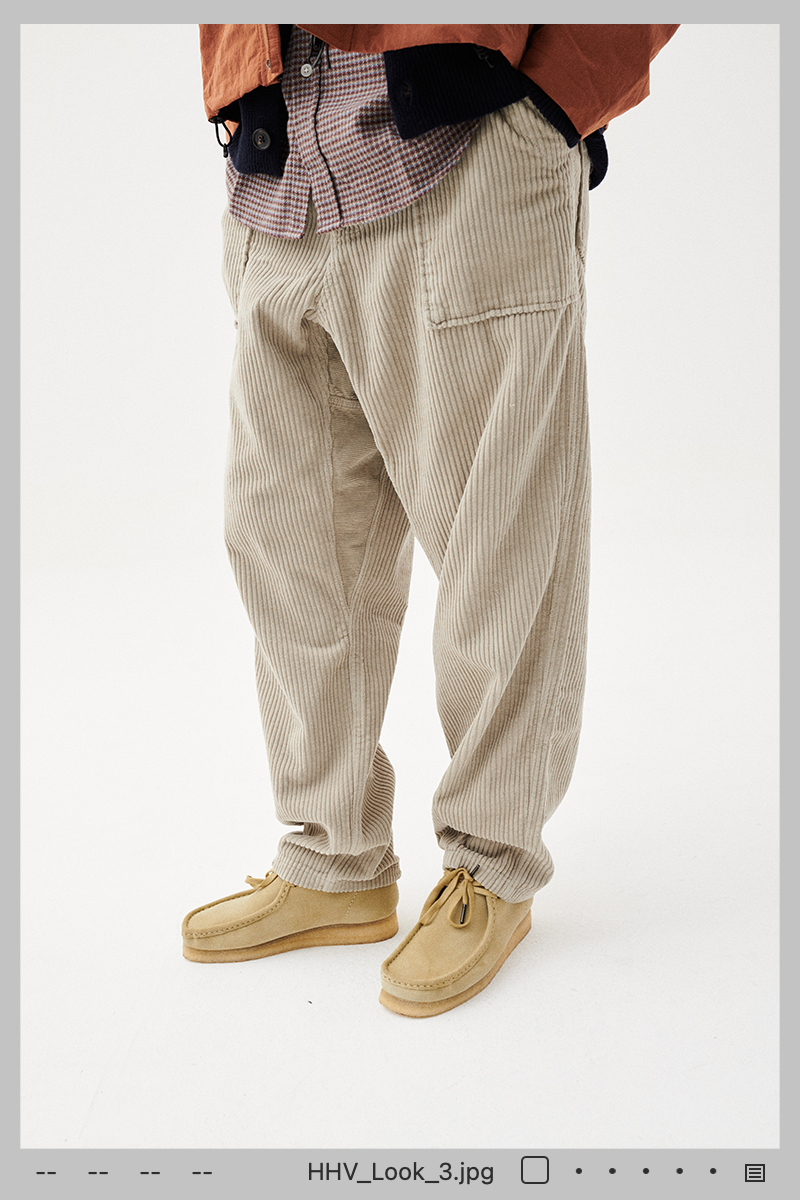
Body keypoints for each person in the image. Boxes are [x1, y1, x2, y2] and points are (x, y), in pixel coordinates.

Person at [182, 23, 679, 1017]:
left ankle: (490, 866)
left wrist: (553, 100)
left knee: (500, 542)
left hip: (464, 148)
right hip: (279, 167)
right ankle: (334, 859)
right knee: (284, 544)